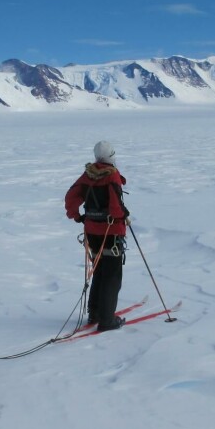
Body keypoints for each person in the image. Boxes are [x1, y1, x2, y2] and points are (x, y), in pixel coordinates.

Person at [64, 141, 130, 332]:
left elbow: (71, 198)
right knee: (112, 275)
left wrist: (77, 216)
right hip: (111, 231)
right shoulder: (112, 175)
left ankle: (95, 313)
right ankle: (107, 319)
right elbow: (116, 207)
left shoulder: (88, 175)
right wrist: (123, 215)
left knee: (99, 271)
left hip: (92, 232)